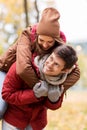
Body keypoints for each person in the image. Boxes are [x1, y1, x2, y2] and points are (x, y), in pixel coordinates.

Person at [0, 7, 80, 118]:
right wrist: (42, 87)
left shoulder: (60, 46)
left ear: (55, 40)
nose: (45, 45)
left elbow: (75, 72)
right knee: (0, 107)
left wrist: (55, 89)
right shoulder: (27, 35)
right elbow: (23, 68)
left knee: (30, 107)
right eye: (41, 40)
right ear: (36, 35)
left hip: (30, 76)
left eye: (50, 42)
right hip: (7, 70)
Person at [1, 44, 78, 130]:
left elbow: (54, 106)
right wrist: (34, 94)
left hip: (37, 123)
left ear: (65, 70)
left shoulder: (61, 79)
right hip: (14, 120)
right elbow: (6, 94)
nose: (49, 64)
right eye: (51, 58)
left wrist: (54, 100)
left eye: (56, 64)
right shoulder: (22, 67)